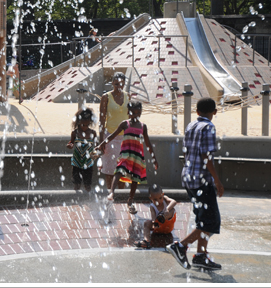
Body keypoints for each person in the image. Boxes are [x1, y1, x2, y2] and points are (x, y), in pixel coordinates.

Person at [167, 97, 224, 271]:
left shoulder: (191, 126)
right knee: (211, 221)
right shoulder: (209, 127)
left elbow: (187, 153)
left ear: (197, 111)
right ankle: (181, 246)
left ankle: (201, 255)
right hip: (202, 180)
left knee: (203, 219)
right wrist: (217, 180)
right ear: (214, 112)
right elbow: (206, 157)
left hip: (189, 178)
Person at [96, 100, 158, 214]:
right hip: (125, 154)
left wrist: (154, 158)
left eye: (137, 113)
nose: (135, 115)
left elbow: (148, 143)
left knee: (135, 179)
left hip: (137, 157)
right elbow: (112, 136)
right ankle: (112, 193)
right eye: (132, 113)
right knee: (119, 171)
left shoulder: (143, 126)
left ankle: (130, 201)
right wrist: (101, 144)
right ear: (128, 113)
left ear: (140, 113)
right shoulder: (125, 124)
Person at [99, 72, 130, 190]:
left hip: (125, 139)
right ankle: (110, 198)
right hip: (110, 137)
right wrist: (101, 138)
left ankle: (120, 198)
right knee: (110, 171)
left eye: (121, 84)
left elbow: (130, 117)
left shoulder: (128, 96)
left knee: (123, 171)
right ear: (112, 83)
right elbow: (102, 119)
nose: (119, 87)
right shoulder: (106, 97)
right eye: (116, 84)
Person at [135, 184, 177, 249]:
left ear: (163, 194)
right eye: (155, 199)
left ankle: (163, 217)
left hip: (168, 226)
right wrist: (154, 223)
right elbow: (153, 216)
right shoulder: (152, 206)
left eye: (160, 198)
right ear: (150, 198)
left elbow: (174, 202)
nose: (159, 201)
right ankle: (146, 241)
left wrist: (167, 209)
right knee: (146, 223)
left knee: (172, 210)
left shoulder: (165, 199)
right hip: (159, 226)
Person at [66, 108, 98, 192]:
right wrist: (70, 145)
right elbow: (71, 143)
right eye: (83, 125)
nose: (85, 127)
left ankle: (88, 198)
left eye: (87, 125)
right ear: (78, 123)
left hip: (88, 162)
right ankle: (77, 199)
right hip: (76, 161)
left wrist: (96, 152)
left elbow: (96, 146)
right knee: (77, 183)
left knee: (88, 183)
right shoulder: (75, 133)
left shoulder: (93, 133)